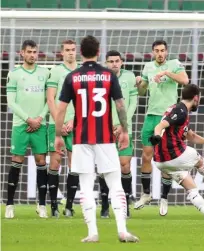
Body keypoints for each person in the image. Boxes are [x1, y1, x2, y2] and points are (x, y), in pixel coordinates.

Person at [54, 35, 138, 242]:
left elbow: (61, 109)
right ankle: (122, 230)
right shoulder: (109, 76)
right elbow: (120, 105)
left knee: (85, 184)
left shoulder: (72, 77)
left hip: (82, 139)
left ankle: (92, 233)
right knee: (115, 184)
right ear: (99, 52)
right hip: (105, 138)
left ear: (81, 53)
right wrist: (125, 131)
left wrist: (57, 135)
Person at [150, 84, 204, 228]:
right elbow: (160, 126)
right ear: (196, 98)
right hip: (174, 154)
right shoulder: (180, 111)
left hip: (161, 162)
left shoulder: (179, 109)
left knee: (192, 189)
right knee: (197, 158)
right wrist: (156, 136)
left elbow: (190, 135)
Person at [135, 40, 189, 216]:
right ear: (152, 52)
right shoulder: (147, 66)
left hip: (168, 117)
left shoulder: (174, 64)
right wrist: (139, 83)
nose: (160, 53)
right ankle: (146, 194)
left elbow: (185, 80)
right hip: (151, 116)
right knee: (146, 156)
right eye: (157, 51)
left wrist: (166, 72)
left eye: (162, 50)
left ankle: (164, 197)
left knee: (165, 160)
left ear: (166, 52)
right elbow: (142, 92)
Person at [5, 40, 49, 219]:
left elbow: (49, 100)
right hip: (21, 124)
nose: (32, 55)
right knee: (17, 160)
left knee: (41, 161)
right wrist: (29, 119)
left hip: (40, 124)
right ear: (22, 53)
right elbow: (11, 101)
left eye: (35, 52)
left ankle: (42, 204)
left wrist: (39, 119)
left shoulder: (45, 73)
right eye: (29, 52)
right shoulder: (14, 74)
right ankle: (9, 204)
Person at [98, 50, 138, 219]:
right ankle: (105, 205)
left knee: (124, 166)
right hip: (105, 129)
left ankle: (125, 205)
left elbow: (133, 102)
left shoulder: (130, 77)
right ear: (106, 63)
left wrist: (123, 125)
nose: (114, 64)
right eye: (111, 61)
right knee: (104, 168)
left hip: (124, 128)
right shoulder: (100, 78)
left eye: (117, 61)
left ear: (122, 62)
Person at [46, 39, 79, 218]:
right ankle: (53, 207)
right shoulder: (56, 71)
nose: (70, 53)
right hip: (56, 125)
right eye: (67, 50)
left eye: (73, 50)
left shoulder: (81, 72)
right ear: (61, 52)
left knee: (74, 165)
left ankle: (69, 206)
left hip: (76, 124)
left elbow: (85, 102)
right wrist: (59, 123)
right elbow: (50, 99)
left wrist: (73, 120)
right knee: (55, 163)